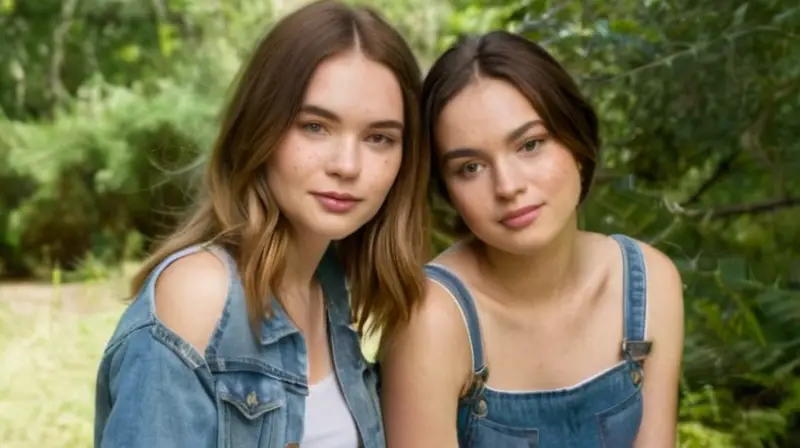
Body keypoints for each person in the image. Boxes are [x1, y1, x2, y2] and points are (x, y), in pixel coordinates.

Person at [93, 1, 429, 447]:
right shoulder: (199, 298)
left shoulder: (330, 291)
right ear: (260, 128)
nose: (347, 165)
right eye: (315, 126)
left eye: (378, 138)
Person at [379, 31, 684, 447]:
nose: (507, 186)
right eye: (470, 167)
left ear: (577, 142)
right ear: (447, 190)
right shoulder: (431, 318)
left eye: (530, 144)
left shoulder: (647, 283)